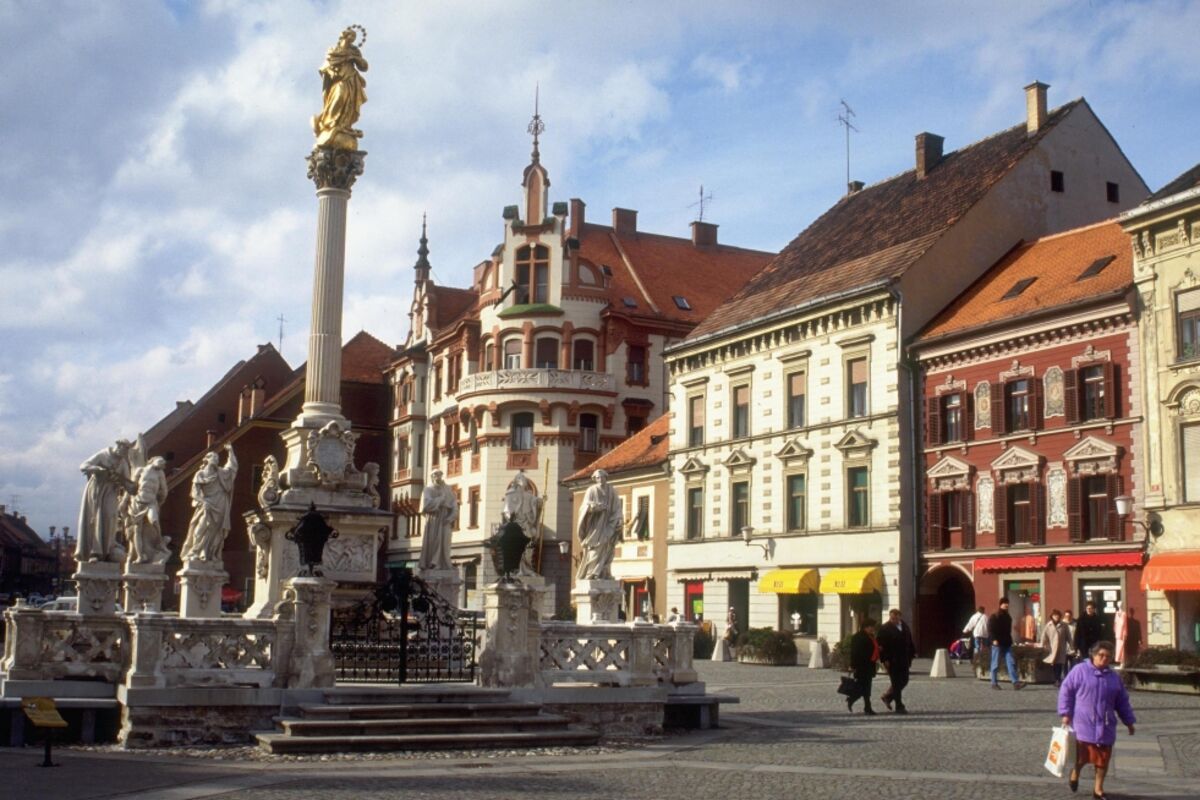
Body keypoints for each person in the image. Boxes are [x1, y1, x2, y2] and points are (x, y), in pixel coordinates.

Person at [1058, 641, 1136, 800]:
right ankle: (1075, 772)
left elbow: (1122, 701)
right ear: (1093, 655)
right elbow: (1066, 691)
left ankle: (1098, 789)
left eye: (1108, 656)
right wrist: (1066, 714)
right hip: (1083, 724)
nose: (1104, 658)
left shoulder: (1114, 677)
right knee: (1081, 757)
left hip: (1106, 725)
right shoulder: (1079, 671)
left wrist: (1129, 721)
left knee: (1103, 759)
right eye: (1101, 655)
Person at [75, 439, 135, 563]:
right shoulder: (103, 454)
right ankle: (94, 552)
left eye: (126, 452)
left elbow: (127, 482)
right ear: (118, 446)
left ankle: (107, 550)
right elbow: (83, 466)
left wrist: (133, 487)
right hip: (96, 490)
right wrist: (96, 468)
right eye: (123, 450)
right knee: (94, 518)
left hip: (111, 492)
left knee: (109, 516)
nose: (123, 454)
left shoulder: (123, 462)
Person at [312, 27, 369, 149]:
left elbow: (364, 67)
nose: (353, 38)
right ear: (344, 36)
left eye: (354, 37)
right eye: (351, 36)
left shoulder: (354, 51)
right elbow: (326, 66)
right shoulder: (334, 50)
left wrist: (355, 58)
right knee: (339, 97)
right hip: (338, 81)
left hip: (351, 80)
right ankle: (330, 123)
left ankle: (343, 125)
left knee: (349, 103)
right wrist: (331, 71)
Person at [181, 445, 238, 563]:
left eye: (217, 458)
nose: (217, 460)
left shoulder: (220, 472)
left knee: (215, 531)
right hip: (206, 504)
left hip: (220, 503)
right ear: (207, 459)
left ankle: (208, 554)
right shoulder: (200, 474)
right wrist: (203, 502)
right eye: (214, 458)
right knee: (200, 528)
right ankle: (194, 551)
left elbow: (232, 468)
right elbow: (194, 493)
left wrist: (231, 451)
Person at [123, 456, 171, 565]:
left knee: (154, 521)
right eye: (161, 461)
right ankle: (139, 555)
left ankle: (160, 542)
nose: (163, 463)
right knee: (137, 530)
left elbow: (164, 490)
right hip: (138, 501)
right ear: (153, 460)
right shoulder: (140, 470)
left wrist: (159, 502)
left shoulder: (160, 474)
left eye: (164, 463)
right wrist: (125, 501)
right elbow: (132, 487)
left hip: (151, 502)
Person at [576, 469, 622, 580]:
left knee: (607, 548)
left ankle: (604, 572)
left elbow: (617, 507)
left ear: (606, 477)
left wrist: (618, 519)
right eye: (598, 477)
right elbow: (584, 507)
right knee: (595, 548)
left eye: (602, 477)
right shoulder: (591, 490)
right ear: (595, 479)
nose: (600, 479)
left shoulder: (611, 490)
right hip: (595, 526)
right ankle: (591, 573)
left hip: (608, 524)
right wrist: (594, 507)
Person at [501, 470, 544, 575]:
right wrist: (511, 519)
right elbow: (506, 510)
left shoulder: (529, 496)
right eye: (520, 479)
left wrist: (540, 502)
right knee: (517, 547)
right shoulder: (510, 494)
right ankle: (517, 569)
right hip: (516, 525)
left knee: (527, 546)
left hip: (526, 523)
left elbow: (535, 503)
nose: (522, 482)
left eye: (524, 479)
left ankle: (527, 568)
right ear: (516, 481)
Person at [877, 608, 916, 713]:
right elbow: (880, 646)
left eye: (895, 618)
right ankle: (899, 706)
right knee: (896, 682)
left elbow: (909, 640)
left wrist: (912, 653)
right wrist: (884, 659)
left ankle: (888, 697)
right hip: (892, 660)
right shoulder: (885, 628)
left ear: (900, 617)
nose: (893, 620)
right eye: (892, 618)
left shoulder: (905, 626)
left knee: (904, 680)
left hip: (904, 659)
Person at [418, 469, 458, 571]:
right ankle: (433, 563)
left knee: (445, 541)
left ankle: (444, 563)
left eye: (440, 475)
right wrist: (440, 500)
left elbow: (454, 504)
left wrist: (450, 517)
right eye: (435, 475)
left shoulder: (448, 489)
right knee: (433, 541)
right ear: (432, 477)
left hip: (445, 519)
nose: (438, 477)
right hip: (433, 519)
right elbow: (426, 505)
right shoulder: (428, 489)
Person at [988, 597, 1025, 690]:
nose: (1006, 605)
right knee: (995, 663)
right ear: (1000, 604)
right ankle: (994, 683)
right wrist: (993, 640)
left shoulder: (1008, 617)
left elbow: (1008, 632)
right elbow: (990, 630)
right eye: (1004, 603)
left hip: (1007, 644)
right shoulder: (995, 616)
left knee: (1011, 662)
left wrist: (1010, 641)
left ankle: (1015, 683)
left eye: (1007, 603)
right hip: (997, 644)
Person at [846, 618, 880, 715]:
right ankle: (864, 705)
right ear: (866, 627)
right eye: (872, 627)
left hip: (869, 665)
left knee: (866, 687)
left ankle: (862, 704)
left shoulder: (870, 636)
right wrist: (853, 665)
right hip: (861, 665)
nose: (873, 629)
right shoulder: (858, 637)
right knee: (863, 687)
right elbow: (854, 653)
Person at [1039, 608, 1072, 686]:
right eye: (1055, 615)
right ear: (1052, 616)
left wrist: (1072, 645)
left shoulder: (1064, 625)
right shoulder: (1048, 625)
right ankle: (1056, 679)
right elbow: (1044, 636)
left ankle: (1058, 679)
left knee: (1059, 664)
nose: (1056, 617)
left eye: (1057, 615)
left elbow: (1068, 636)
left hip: (1061, 648)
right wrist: (1042, 645)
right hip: (1052, 647)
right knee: (1053, 663)